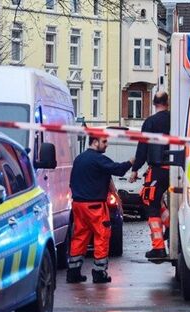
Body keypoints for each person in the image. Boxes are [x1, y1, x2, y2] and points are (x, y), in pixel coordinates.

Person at [67, 136, 134, 284]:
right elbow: (118, 170)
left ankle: (73, 272)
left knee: (79, 236)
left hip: (78, 205)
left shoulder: (79, 159)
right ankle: (99, 272)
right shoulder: (99, 159)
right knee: (102, 236)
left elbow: (72, 182)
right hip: (95, 206)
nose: (107, 145)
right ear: (95, 142)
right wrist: (130, 162)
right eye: (104, 142)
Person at [129, 92, 171, 261]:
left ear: (154, 103)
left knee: (151, 203)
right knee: (158, 202)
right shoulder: (175, 119)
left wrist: (135, 169)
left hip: (158, 168)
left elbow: (143, 147)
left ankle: (158, 247)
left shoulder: (151, 122)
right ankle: (171, 227)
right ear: (167, 102)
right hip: (176, 168)